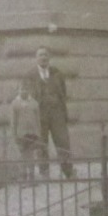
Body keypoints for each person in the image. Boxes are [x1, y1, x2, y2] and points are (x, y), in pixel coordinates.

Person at [24, 46, 75, 178]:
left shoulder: (57, 73)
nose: (43, 58)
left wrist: (62, 112)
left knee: (63, 141)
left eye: (46, 55)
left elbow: (63, 93)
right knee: (41, 144)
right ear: (36, 59)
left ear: (49, 57)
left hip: (57, 113)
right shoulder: (30, 75)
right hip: (39, 115)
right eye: (40, 55)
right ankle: (44, 172)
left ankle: (68, 171)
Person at [8, 88, 42, 179]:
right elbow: (13, 121)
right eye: (22, 89)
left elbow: (38, 120)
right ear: (18, 91)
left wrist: (38, 134)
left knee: (31, 155)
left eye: (26, 89)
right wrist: (14, 135)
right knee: (22, 155)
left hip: (32, 134)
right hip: (21, 134)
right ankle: (23, 177)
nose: (24, 91)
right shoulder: (15, 104)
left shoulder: (34, 103)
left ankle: (31, 176)